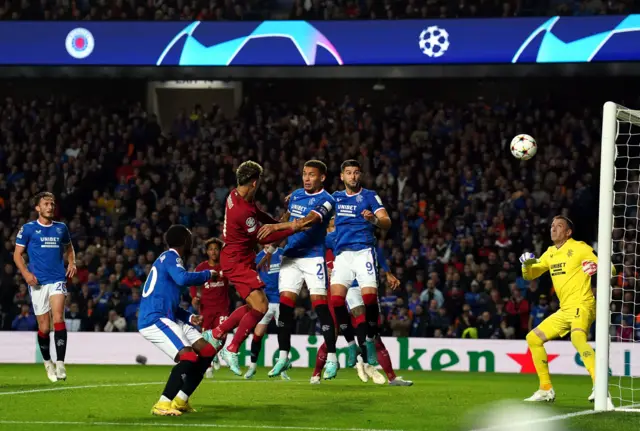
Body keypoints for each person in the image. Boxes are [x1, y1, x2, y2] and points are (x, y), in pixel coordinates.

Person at [202, 161, 304, 376]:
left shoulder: (237, 196)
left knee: (254, 306)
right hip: (236, 261)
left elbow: (258, 214)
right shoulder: (241, 211)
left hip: (239, 258)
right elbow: (263, 236)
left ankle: (218, 332)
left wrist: (277, 222)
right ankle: (231, 348)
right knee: (261, 306)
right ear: (255, 182)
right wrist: (291, 228)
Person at [520, 215, 614, 404]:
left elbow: (610, 268)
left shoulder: (580, 248)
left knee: (577, 338)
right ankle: (545, 389)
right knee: (533, 338)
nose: (553, 228)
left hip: (583, 303)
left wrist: (596, 267)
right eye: (552, 225)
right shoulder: (550, 253)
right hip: (565, 310)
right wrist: (525, 265)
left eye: (559, 226)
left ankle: (600, 387)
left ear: (568, 232)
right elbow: (530, 276)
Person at [260, 160, 338, 380]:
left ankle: (332, 357)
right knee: (285, 309)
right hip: (291, 256)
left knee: (321, 306)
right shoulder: (295, 195)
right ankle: (284, 357)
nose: (306, 178)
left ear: (322, 177)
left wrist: (275, 226)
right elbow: (289, 218)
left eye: (311, 175)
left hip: (313, 257)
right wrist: (272, 246)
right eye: (304, 173)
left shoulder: (327, 200)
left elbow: (307, 222)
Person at [312, 219, 412, 386]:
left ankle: (389, 376)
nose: (337, 225)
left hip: (364, 286)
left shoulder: (358, 236)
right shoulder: (326, 244)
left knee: (373, 333)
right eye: (333, 223)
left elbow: (377, 251)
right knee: (335, 333)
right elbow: (314, 257)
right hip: (344, 292)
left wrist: (387, 272)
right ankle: (318, 374)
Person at [138, 224, 219, 416]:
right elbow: (183, 279)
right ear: (184, 240)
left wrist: (189, 316)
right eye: (190, 238)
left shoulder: (170, 260)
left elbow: (170, 303)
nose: (192, 241)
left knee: (207, 351)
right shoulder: (171, 256)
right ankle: (162, 403)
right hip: (154, 319)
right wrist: (208, 274)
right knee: (189, 356)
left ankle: (181, 400)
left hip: (170, 316)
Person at [329, 160, 391, 367]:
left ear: (360, 175)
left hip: (363, 252)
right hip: (343, 255)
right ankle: (350, 344)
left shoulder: (370, 196)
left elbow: (386, 221)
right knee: (337, 301)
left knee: (370, 297)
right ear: (342, 176)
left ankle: (370, 340)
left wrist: (374, 219)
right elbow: (315, 208)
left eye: (356, 173)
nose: (353, 177)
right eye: (348, 173)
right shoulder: (335, 198)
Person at [13, 192, 76, 382]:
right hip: (38, 283)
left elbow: (69, 247)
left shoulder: (61, 228)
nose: (50, 207)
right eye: (46, 204)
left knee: (58, 316)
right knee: (44, 327)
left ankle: (61, 363)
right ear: (38, 208)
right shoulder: (28, 229)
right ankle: (47, 362)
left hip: (57, 279)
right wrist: (26, 274)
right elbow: (17, 255)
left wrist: (72, 263)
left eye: (52, 203)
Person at [244, 243, 290, 380]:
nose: (267, 241)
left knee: (283, 332)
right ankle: (252, 366)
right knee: (258, 334)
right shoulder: (258, 258)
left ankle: (282, 369)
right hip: (266, 302)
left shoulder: (283, 254)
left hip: (283, 300)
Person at [190, 238, 229, 378]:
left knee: (222, 335)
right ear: (207, 251)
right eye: (211, 249)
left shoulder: (225, 265)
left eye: (216, 249)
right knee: (206, 339)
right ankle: (209, 364)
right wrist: (194, 296)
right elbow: (193, 283)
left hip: (223, 307)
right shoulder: (201, 268)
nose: (213, 251)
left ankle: (214, 355)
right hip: (206, 309)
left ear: (220, 251)